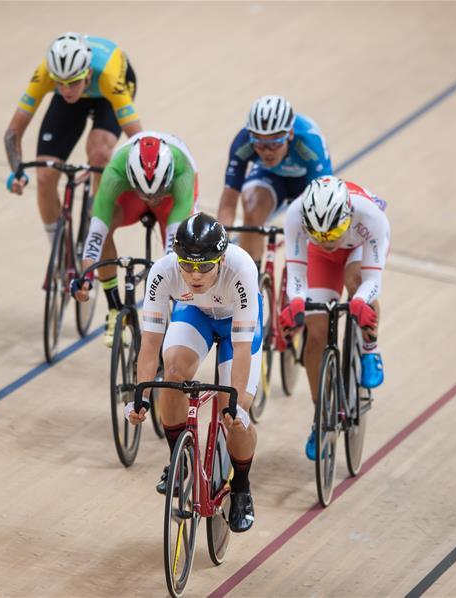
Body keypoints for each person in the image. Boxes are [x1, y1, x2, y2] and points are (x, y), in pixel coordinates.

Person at [129, 213, 261, 533]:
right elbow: (149, 344)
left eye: (204, 266)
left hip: (236, 327)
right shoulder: (163, 272)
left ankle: (241, 487)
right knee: (172, 372)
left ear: (221, 258)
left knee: (234, 412)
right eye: (187, 264)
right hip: (196, 315)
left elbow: (242, 348)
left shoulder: (241, 269)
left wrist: (238, 404)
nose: (194, 274)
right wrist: (140, 397)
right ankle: (180, 461)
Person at [278, 176, 390, 460]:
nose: (327, 241)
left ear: (347, 217)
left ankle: (369, 350)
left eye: (331, 233)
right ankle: (322, 414)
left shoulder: (371, 217)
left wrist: (361, 302)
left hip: (357, 249)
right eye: (318, 234)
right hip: (319, 260)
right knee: (316, 332)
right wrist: (297, 304)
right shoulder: (296, 216)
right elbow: (296, 276)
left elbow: (373, 279)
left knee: (356, 284)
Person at [3, 32, 143, 250]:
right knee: (44, 176)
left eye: (73, 83)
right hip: (76, 97)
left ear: (87, 73)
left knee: (99, 153)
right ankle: (59, 250)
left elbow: (138, 139)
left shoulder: (109, 76)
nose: (66, 90)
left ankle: (96, 215)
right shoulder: (47, 73)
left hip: (108, 95)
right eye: (60, 83)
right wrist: (17, 171)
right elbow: (13, 132)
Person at [70, 132, 199, 347]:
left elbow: (173, 240)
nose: (151, 198)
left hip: (172, 200)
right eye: (145, 192)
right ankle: (114, 307)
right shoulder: (114, 173)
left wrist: (167, 280)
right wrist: (85, 277)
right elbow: (95, 235)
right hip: (131, 197)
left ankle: (180, 319)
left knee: (186, 244)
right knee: (105, 226)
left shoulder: (183, 172)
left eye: (156, 192)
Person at [216, 95, 332, 267]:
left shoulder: (309, 143)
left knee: (316, 222)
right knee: (252, 208)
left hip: (305, 181)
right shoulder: (243, 142)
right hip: (269, 176)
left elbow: (325, 199)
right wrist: (218, 245)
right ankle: (251, 278)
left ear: (289, 134)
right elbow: (229, 201)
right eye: (260, 144)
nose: (267, 152)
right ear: (251, 136)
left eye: (275, 143)